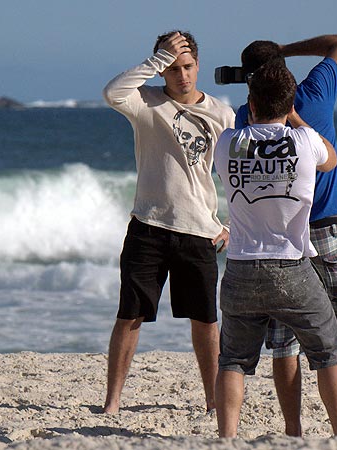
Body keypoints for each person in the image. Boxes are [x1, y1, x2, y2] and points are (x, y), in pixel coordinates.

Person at [234, 35, 337, 438]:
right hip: (329, 226)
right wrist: (288, 50)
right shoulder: (315, 90)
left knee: (284, 336)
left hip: (280, 237)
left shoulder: (244, 121)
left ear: (250, 85)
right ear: (284, 73)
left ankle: (293, 428)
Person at [213, 59, 337, 438]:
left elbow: (239, 135)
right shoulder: (305, 141)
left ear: (251, 103)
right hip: (290, 266)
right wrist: (296, 119)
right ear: (290, 105)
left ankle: (227, 438)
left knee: (234, 360)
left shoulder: (228, 142)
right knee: (328, 352)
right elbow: (331, 160)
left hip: (241, 267)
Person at [101, 30, 235, 414]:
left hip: (199, 232)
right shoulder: (145, 103)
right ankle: (113, 401)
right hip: (149, 226)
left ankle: (213, 400)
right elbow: (112, 93)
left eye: (188, 66)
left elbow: (233, 175)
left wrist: (230, 225)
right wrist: (157, 59)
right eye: (173, 68)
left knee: (206, 321)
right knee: (130, 314)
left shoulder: (221, 114)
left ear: (199, 66)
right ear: (162, 69)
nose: (182, 75)